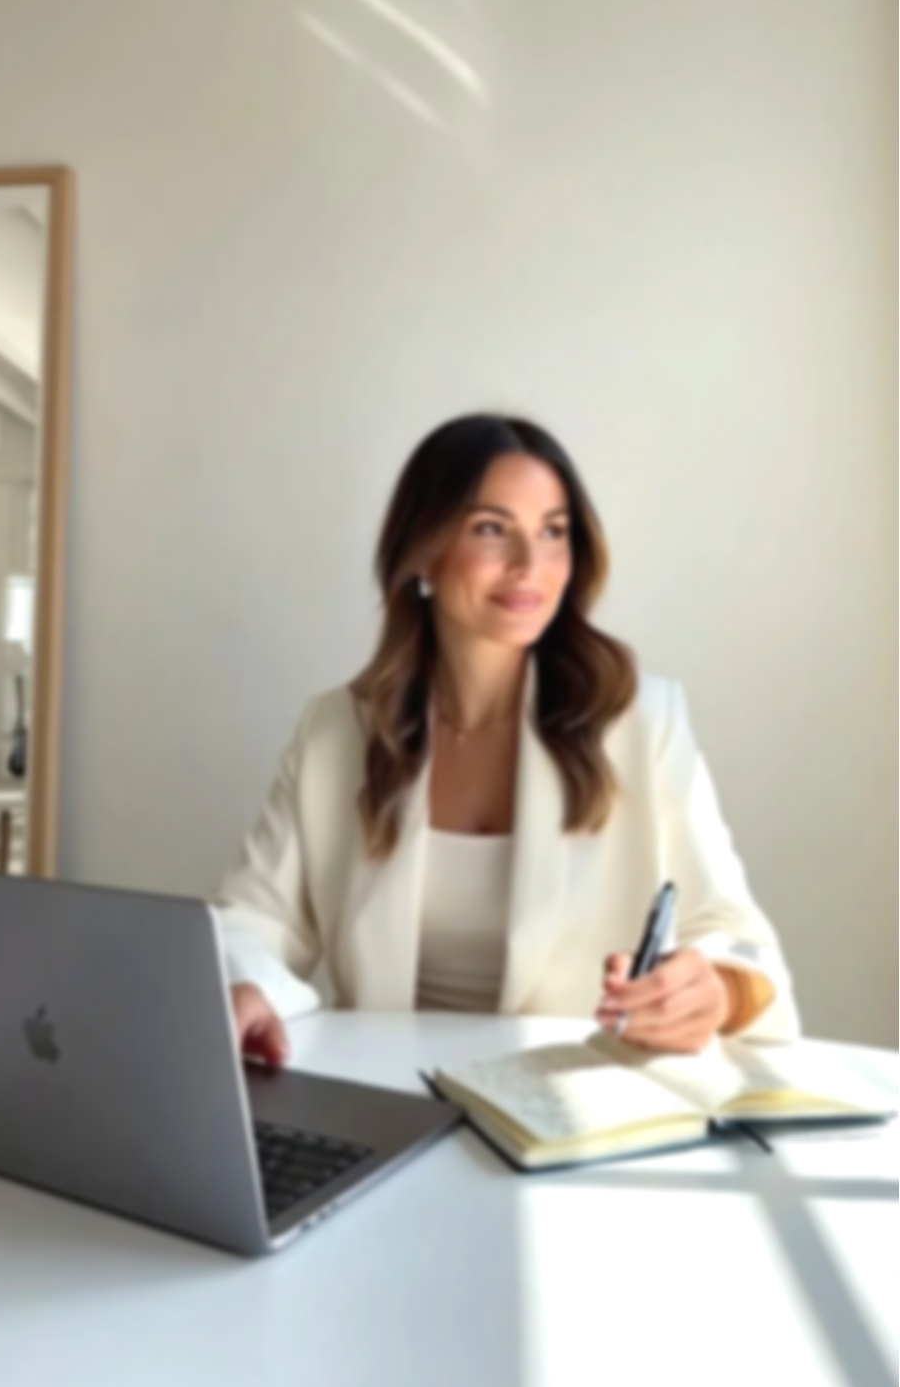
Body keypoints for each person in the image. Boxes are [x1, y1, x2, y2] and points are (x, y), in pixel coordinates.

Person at [217, 414, 798, 1066]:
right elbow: (254, 921)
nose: (530, 566)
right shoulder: (337, 730)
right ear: (424, 551)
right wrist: (245, 985)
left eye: (553, 532)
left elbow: (734, 932)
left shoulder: (640, 720)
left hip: (569, 1097)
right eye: (491, 529)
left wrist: (716, 991)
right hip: (384, 1092)